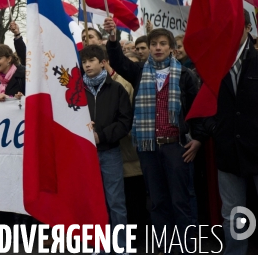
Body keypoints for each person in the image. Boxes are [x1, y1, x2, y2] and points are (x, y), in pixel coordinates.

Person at [104, 17, 207, 251]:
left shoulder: (185, 75)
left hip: (176, 147)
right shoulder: (140, 71)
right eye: (154, 44)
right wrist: (113, 37)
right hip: (149, 149)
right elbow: (118, 61)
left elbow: (197, 111)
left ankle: (187, 246)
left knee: (181, 202)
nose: (157, 48)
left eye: (162, 43)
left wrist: (198, 139)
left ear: (171, 47)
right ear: (149, 48)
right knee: (158, 203)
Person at [205, 10, 258, 255]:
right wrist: (216, 130)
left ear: (248, 28)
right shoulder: (215, 64)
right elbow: (204, 104)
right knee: (235, 213)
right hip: (228, 150)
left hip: (256, 147)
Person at [80, 45, 132, 251]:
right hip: (85, 155)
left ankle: (120, 245)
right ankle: (97, 245)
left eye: (91, 60)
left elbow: (124, 122)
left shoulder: (117, 88)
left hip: (109, 152)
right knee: (93, 201)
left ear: (103, 62)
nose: (87, 65)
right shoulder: (77, 90)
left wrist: (100, 136)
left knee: (116, 202)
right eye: (84, 62)